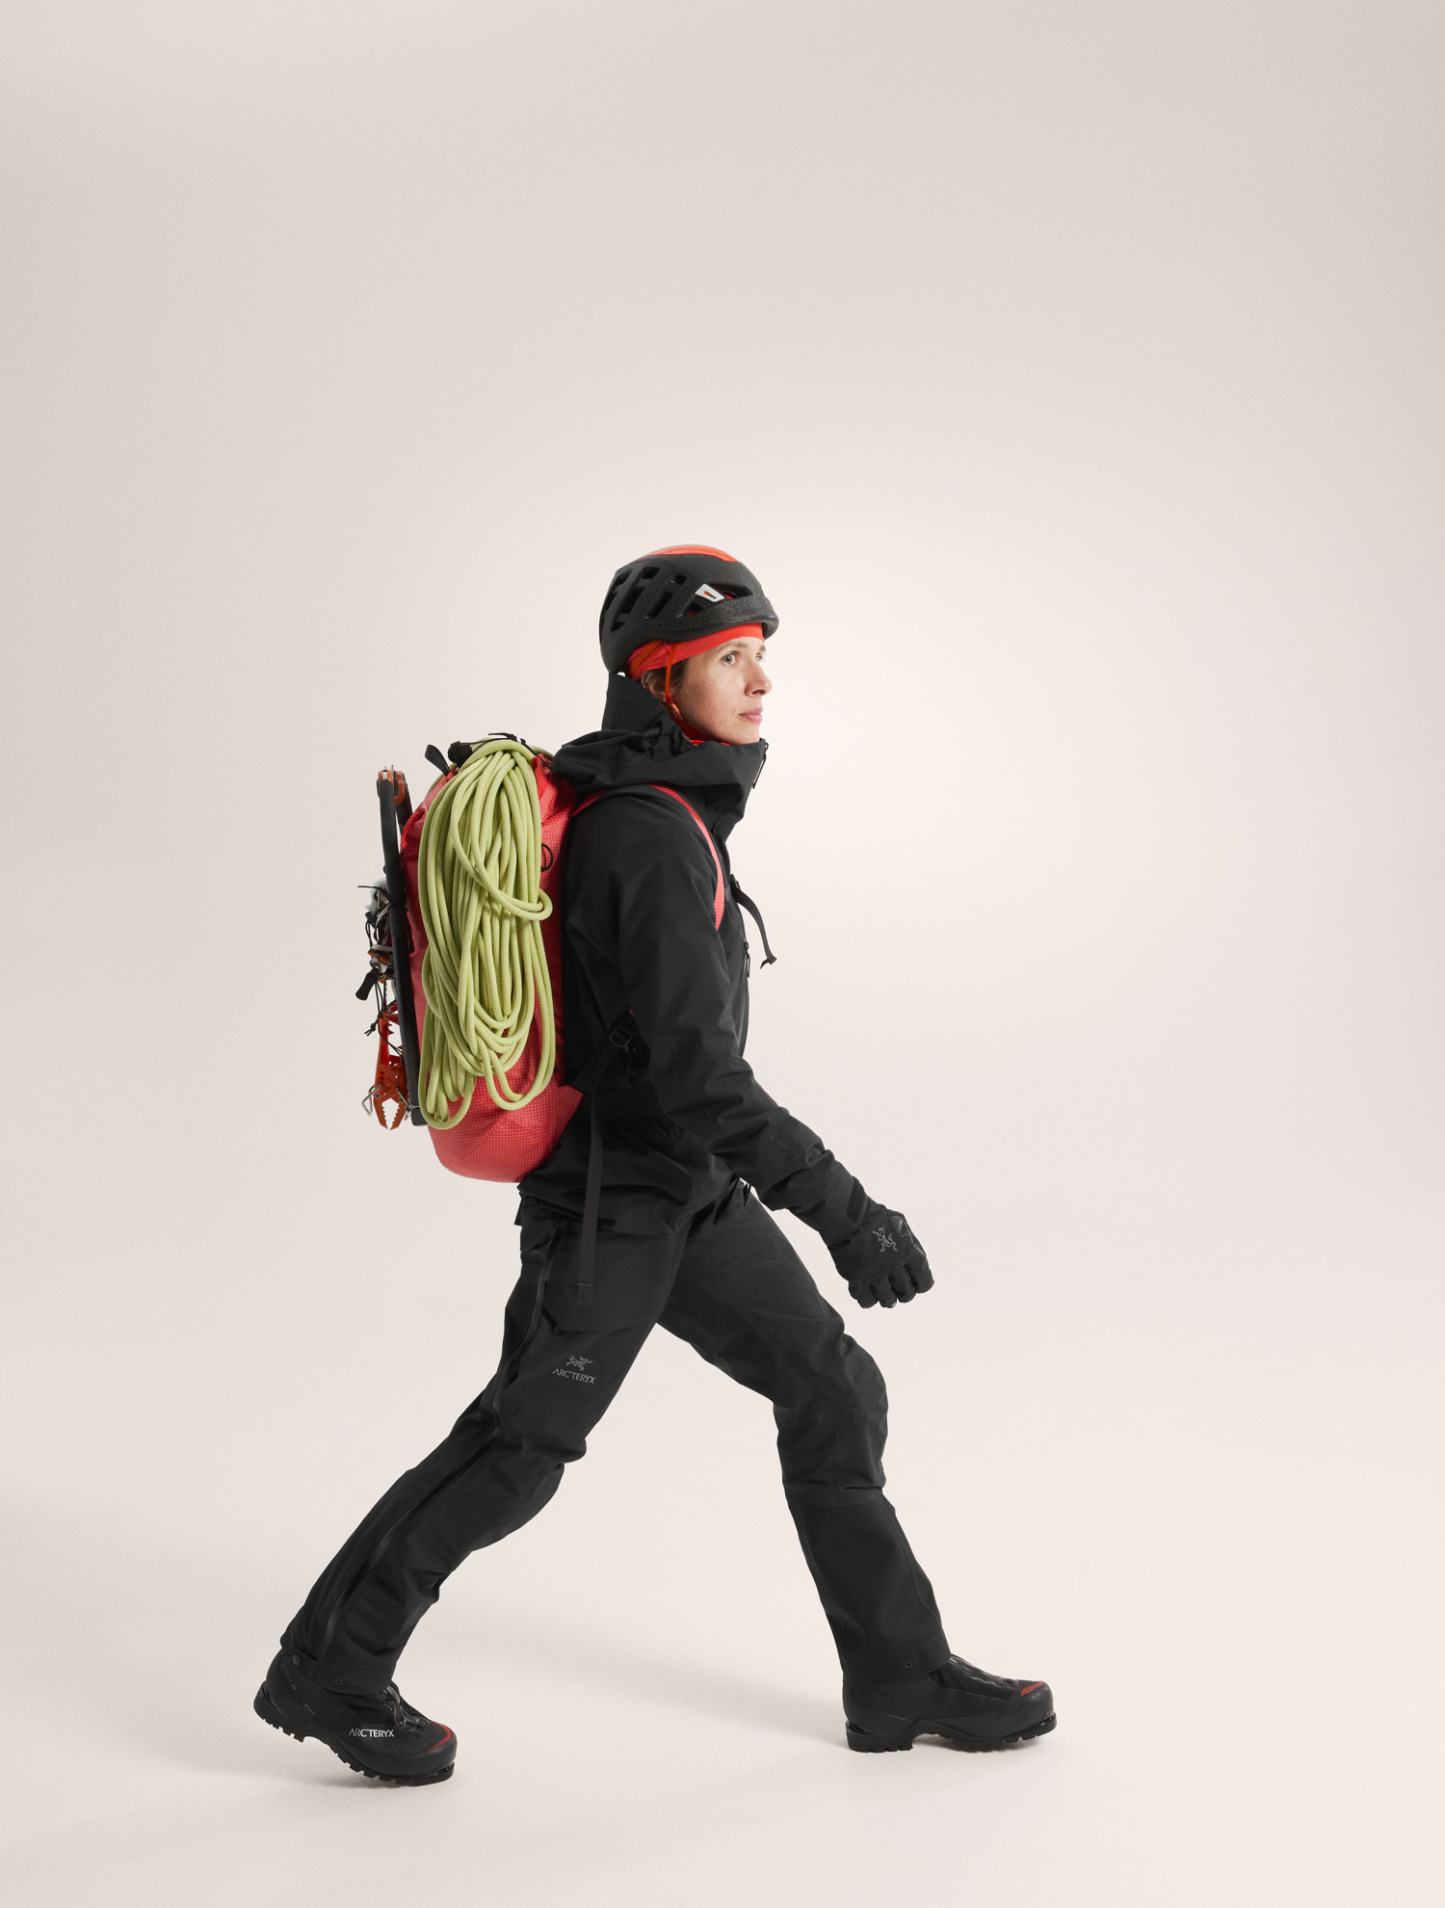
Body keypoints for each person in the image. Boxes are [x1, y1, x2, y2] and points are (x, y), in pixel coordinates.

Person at [254, 545, 1055, 1783]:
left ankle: (898, 1672)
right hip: (610, 1204)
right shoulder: (645, 834)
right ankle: (332, 1667)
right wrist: (847, 1213)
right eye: (732, 658)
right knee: (518, 1447)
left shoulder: (664, 807)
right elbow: (700, 1077)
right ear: (657, 678)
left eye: (761, 656)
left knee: (830, 1386)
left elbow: (684, 1084)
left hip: (687, 1190)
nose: (761, 681)